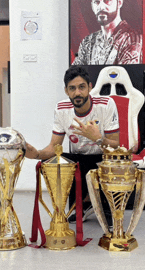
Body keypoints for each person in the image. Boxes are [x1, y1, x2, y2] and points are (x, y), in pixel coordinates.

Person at [26, 65, 120, 224]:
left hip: (103, 159)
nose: (77, 93)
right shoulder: (62, 109)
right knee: (48, 163)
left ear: (90, 87)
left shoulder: (105, 104)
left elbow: (115, 147)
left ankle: (103, 205)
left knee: (115, 161)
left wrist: (98, 138)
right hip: (79, 161)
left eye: (82, 87)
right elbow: (54, 148)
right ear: (66, 91)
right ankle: (81, 204)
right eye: (72, 88)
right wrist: (36, 154)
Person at [72, 0, 142, 65]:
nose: (101, 7)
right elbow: (75, 75)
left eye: (107, 0)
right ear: (92, 6)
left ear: (119, 2)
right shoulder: (88, 42)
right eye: (96, 2)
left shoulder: (132, 39)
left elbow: (127, 76)